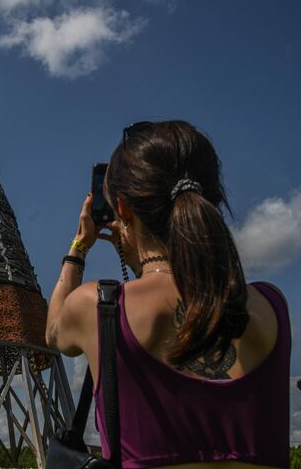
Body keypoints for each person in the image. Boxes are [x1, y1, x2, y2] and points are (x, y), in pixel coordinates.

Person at [46, 121, 290, 468]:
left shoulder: (99, 307)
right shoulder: (271, 307)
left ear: (123, 209)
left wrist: (79, 246)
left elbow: (54, 331)